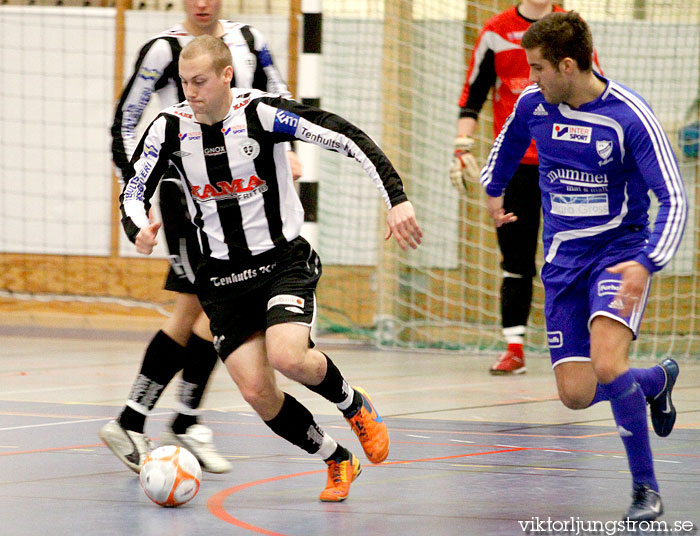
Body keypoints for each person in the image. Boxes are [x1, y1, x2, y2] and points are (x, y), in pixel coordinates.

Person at [120, 35, 423, 501]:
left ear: (226, 76)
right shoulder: (169, 128)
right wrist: (138, 227)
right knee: (258, 392)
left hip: (282, 262)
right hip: (220, 278)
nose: (191, 92)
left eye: (199, 81)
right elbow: (134, 188)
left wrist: (395, 199)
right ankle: (335, 459)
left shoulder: (261, 113)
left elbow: (343, 134)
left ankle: (352, 404)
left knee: (288, 356)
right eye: (184, 82)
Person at [481, 11, 685, 521]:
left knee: (608, 364)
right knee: (575, 394)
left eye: (536, 68)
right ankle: (655, 381)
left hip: (618, 256)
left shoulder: (630, 117)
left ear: (567, 66)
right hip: (563, 262)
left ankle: (646, 489)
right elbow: (502, 154)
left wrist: (648, 262)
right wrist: (492, 192)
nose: (530, 79)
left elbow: (675, 199)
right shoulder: (534, 105)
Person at [101, 0, 301, 475]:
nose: (202, 4)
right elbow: (125, 122)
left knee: (199, 310)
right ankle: (161, 419)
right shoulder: (162, 49)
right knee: (211, 305)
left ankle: (156, 419)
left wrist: (290, 147)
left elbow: (280, 93)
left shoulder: (250, 41)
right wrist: (137, 189)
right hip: (187, 195)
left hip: (247, 195)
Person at [452, 0, 582, 374]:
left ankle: (578, 343)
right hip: (516, 166)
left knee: (572, 255)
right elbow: (472, 96)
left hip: (565, 161)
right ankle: (514, 347)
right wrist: (461, 148)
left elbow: (590, 86)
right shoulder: (495, 31)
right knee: (516, 258)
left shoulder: (571, 27)